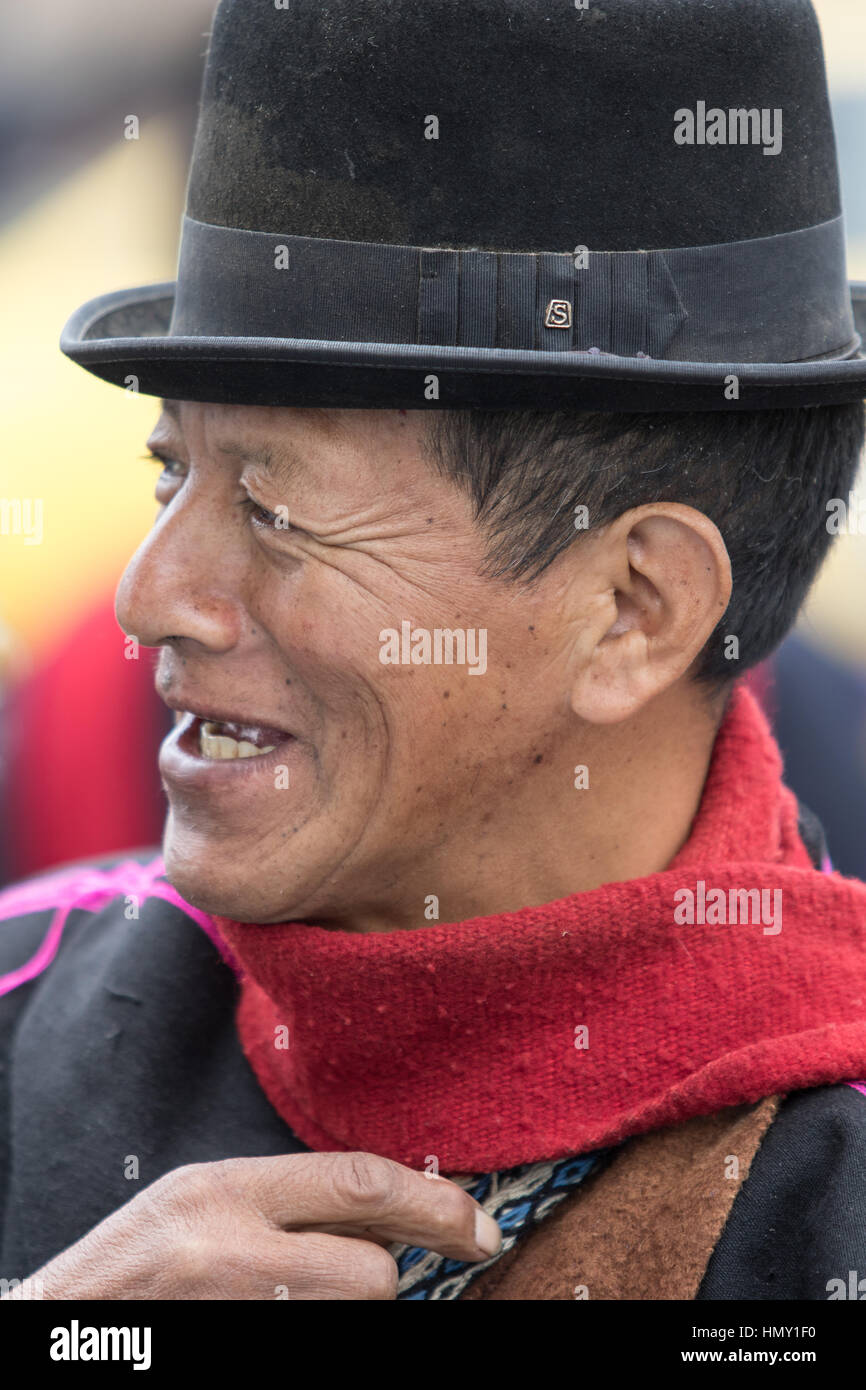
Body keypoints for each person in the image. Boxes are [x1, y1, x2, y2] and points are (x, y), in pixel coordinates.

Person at [3, 0, 866, 1302]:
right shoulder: (23, 1018)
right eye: (168, 470)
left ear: (632, 607)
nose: (148, 596)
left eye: (279, 511)